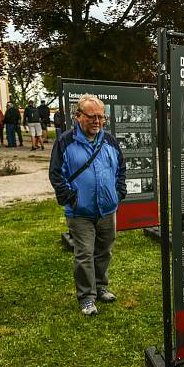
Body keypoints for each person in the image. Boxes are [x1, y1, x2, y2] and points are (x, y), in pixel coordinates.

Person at [49, 94, 126, 316]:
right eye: (92, 116)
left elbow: (121, 169)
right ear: (78, 116)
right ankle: (86, 297)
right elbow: (56, 174)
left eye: (101, 117)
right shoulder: (65, 141)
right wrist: (71, 198)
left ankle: (101, 286)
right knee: (84, 254)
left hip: (107, 209)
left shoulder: (109, 140)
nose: (97, 121)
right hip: (80, 212)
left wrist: (118, 193)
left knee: (104, 251)